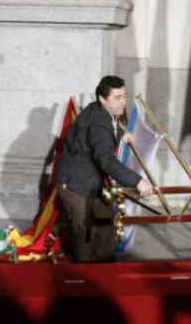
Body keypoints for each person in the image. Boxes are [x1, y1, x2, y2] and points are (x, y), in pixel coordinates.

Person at [57, 76, 153, 262]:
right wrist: (138, 181)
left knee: (105, 223)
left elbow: (103, 133)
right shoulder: (99, 123)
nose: (124, 102)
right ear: (103, 99)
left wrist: (120, 136)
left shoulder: (98, 110)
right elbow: (107, 161)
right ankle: (85, 277)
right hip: (77, 186)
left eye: (124, 96)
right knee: (84, 235)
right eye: (117, 98)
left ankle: (105, 267)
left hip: (90, 182)